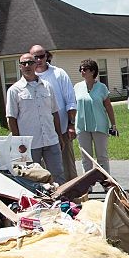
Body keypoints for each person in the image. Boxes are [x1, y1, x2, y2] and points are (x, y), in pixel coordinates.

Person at [6, 53, 63, 179]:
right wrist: (18, 143)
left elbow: (54, 113)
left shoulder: (47, 86)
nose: (27, 66)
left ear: (36, 65)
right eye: (23, 63)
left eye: (30, 63)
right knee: (31, 178)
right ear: (20, 67)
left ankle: (62, 199)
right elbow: (11, 118)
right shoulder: (14, 90)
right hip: (29, 145)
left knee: (58, 175)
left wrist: (59, 136)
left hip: (51, 140)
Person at [31, 45, 77, 183]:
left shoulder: (58, 73)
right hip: (39, 134)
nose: (39, 59)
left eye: (42, 56)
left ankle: (74, 195)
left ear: (47, 56)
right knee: (42, 172)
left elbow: (70, 101)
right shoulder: (28, 78)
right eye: (35, 57)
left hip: (61, 130)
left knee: (67, 167)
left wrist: (71, 124)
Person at [74, 59, 117, 182]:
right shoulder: (77, 87)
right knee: (86, 157)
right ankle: (87, 184)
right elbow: (74, 106)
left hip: (100, 125)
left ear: (93, 71)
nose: (82, 71)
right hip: (82, 126)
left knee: (102, 156)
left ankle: (106, 181)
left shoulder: (102, 87)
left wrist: (113, 124)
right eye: (80, 69)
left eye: (85, 69)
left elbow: (108, 107)